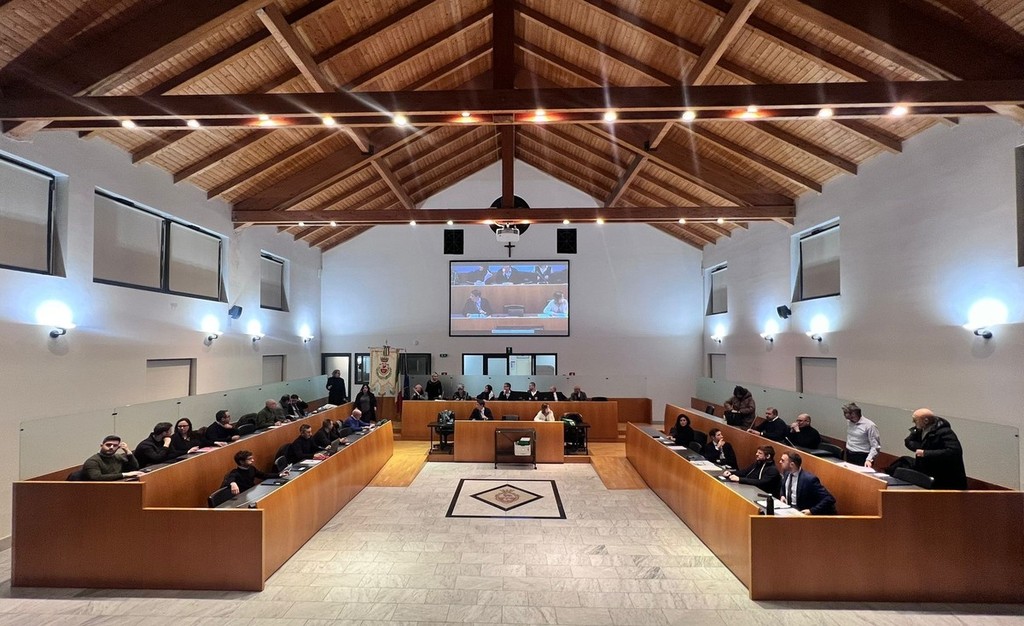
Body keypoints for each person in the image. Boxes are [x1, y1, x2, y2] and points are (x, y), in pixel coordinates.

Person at [904, 408, 968, 489]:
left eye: (915, 420)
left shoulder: (945, 432)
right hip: (927, 470)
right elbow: (908, 441)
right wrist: (921, 448)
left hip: (945, 476)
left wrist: (925, 453)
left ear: (926, 421)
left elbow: (954, 451)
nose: (913, 422)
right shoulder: (920, 429)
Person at [843, 402, 881, 468]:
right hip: (849, 453)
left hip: (862, 456)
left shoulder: (870, 426)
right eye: (848, 418)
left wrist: (869, 460)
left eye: (852, 418)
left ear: (858, 414)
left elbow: (875, 446)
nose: (850, 420)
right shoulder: (849, 421)